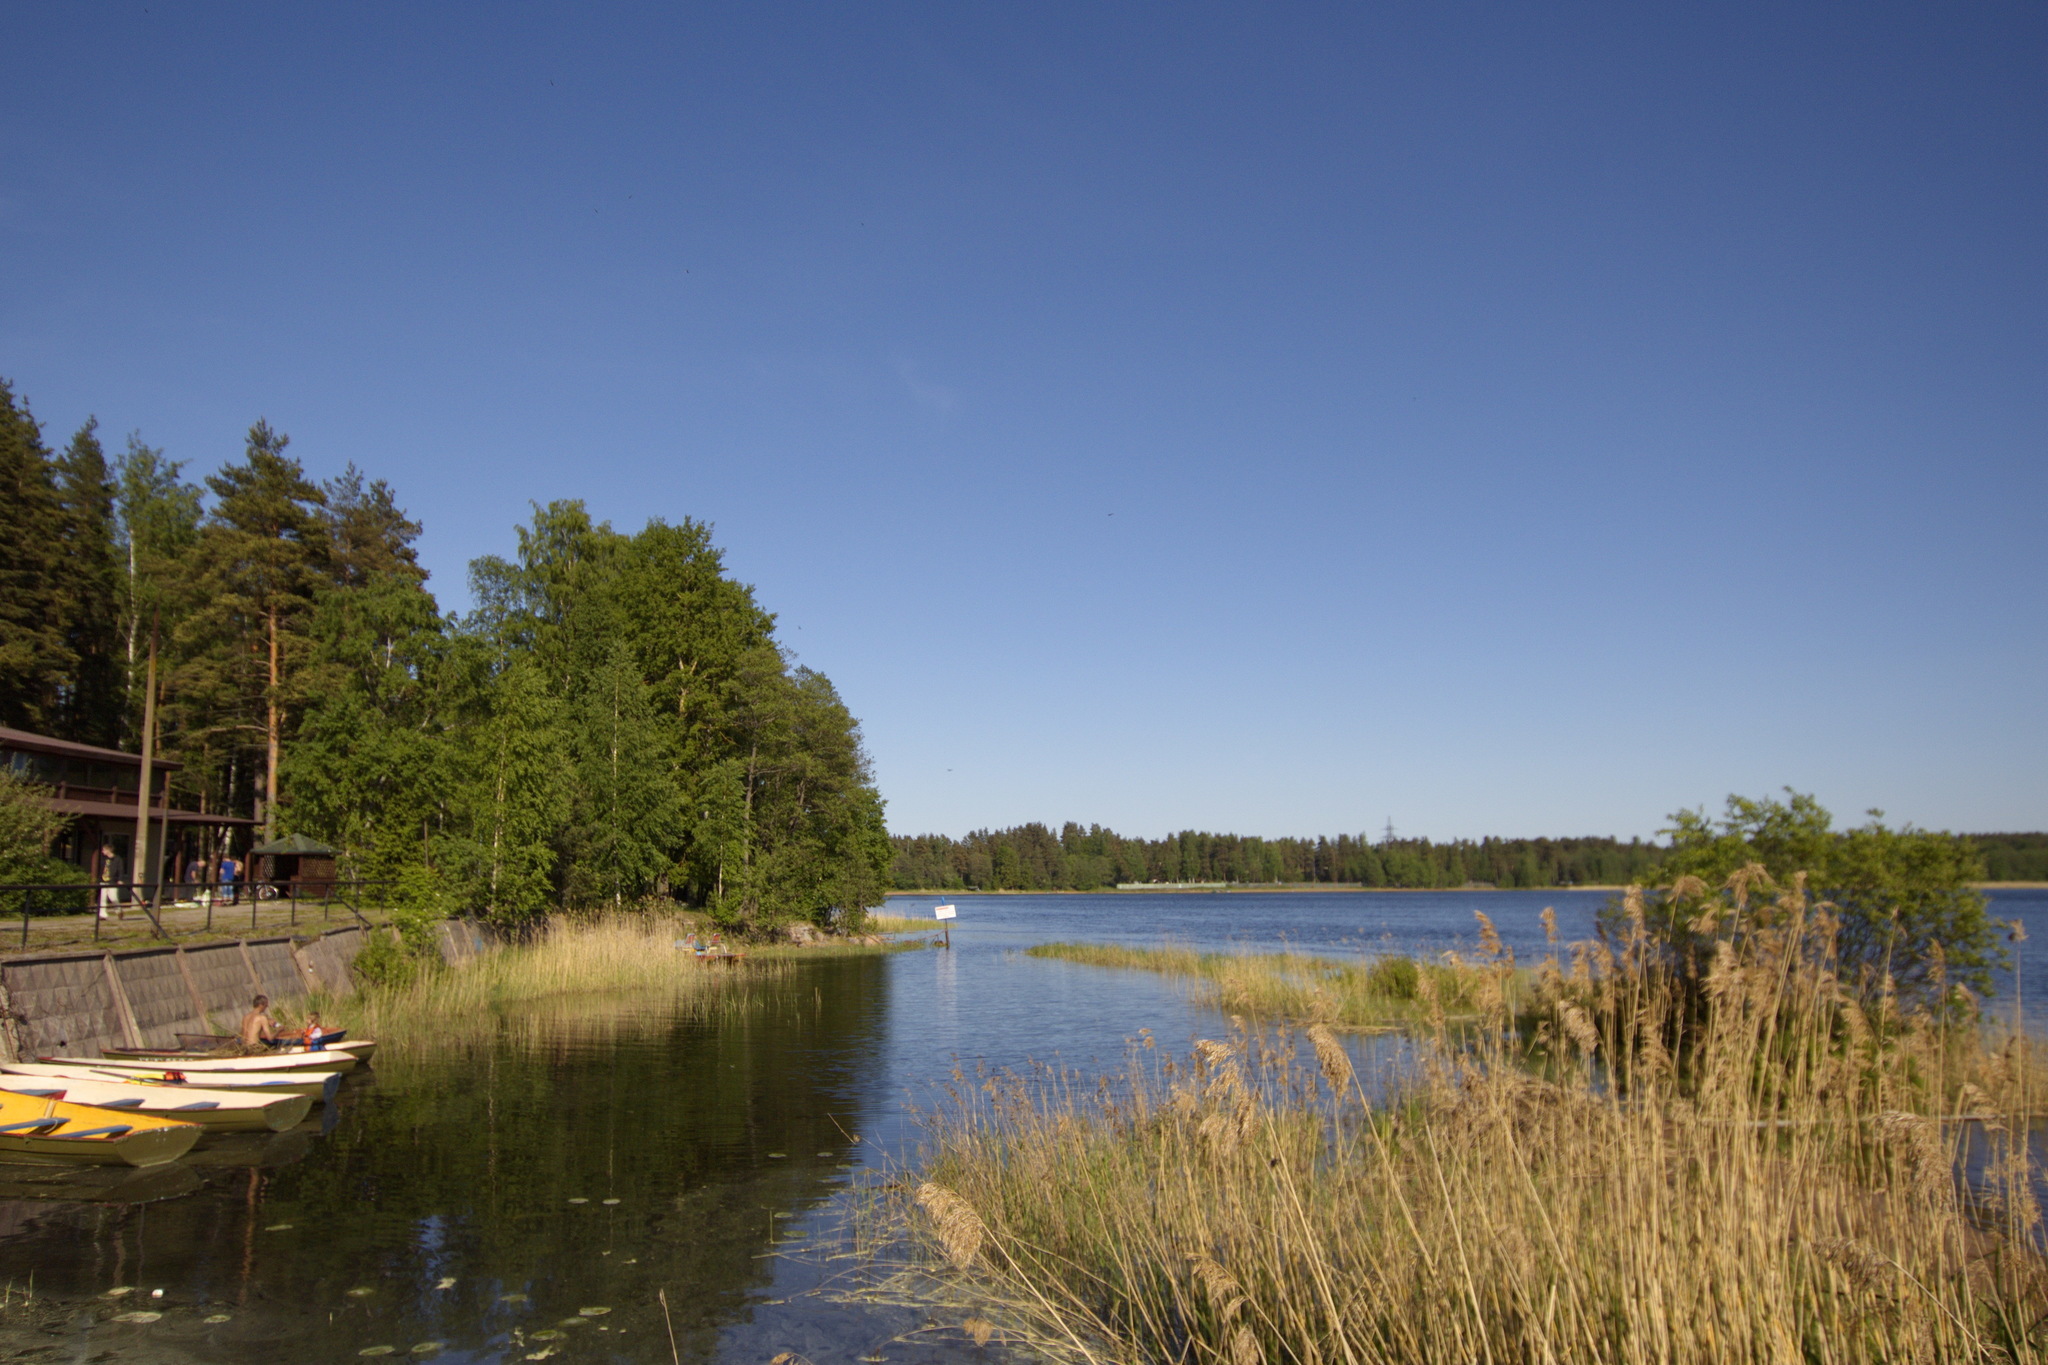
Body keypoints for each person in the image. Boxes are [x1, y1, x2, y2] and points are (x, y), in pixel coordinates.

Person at [96, 842, 125, 921]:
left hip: (112, 881)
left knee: (113, 897)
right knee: (102, 898)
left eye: (104, 850)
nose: (102, 851)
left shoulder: (117, 859)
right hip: (103, 880)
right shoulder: (103, 859)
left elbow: (120, 870)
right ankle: (102, 915)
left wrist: (120, 879)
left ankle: (119, 911)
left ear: (108, 850)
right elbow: (101, 869)